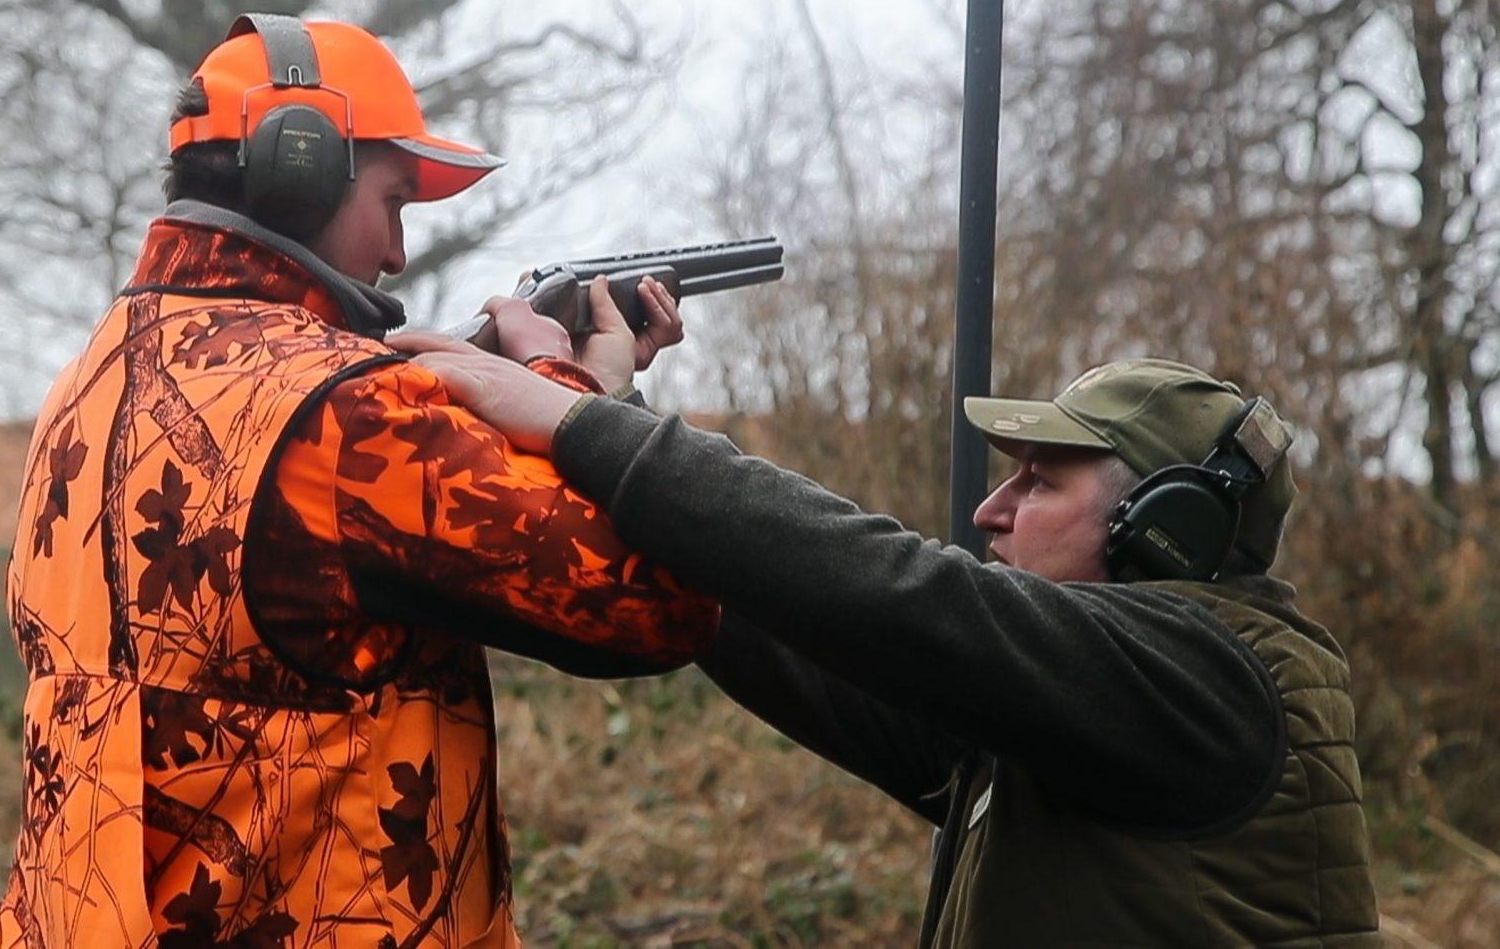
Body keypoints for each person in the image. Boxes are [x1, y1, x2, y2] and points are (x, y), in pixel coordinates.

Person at [0, 14, 715, 948]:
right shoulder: (348, 411)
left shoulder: (93, 371)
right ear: (304, 170)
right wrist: (572, 395)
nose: (400, 253)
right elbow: (654, 603)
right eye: (395, 200)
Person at [403, 307, 1383, 948]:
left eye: (1040, 479)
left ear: (1164, 528)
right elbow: (794, 618)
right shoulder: (1059, 723)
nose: (991, 510)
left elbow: (894, 595)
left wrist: (575, 422)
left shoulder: (1204, 680)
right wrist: (602, 404)